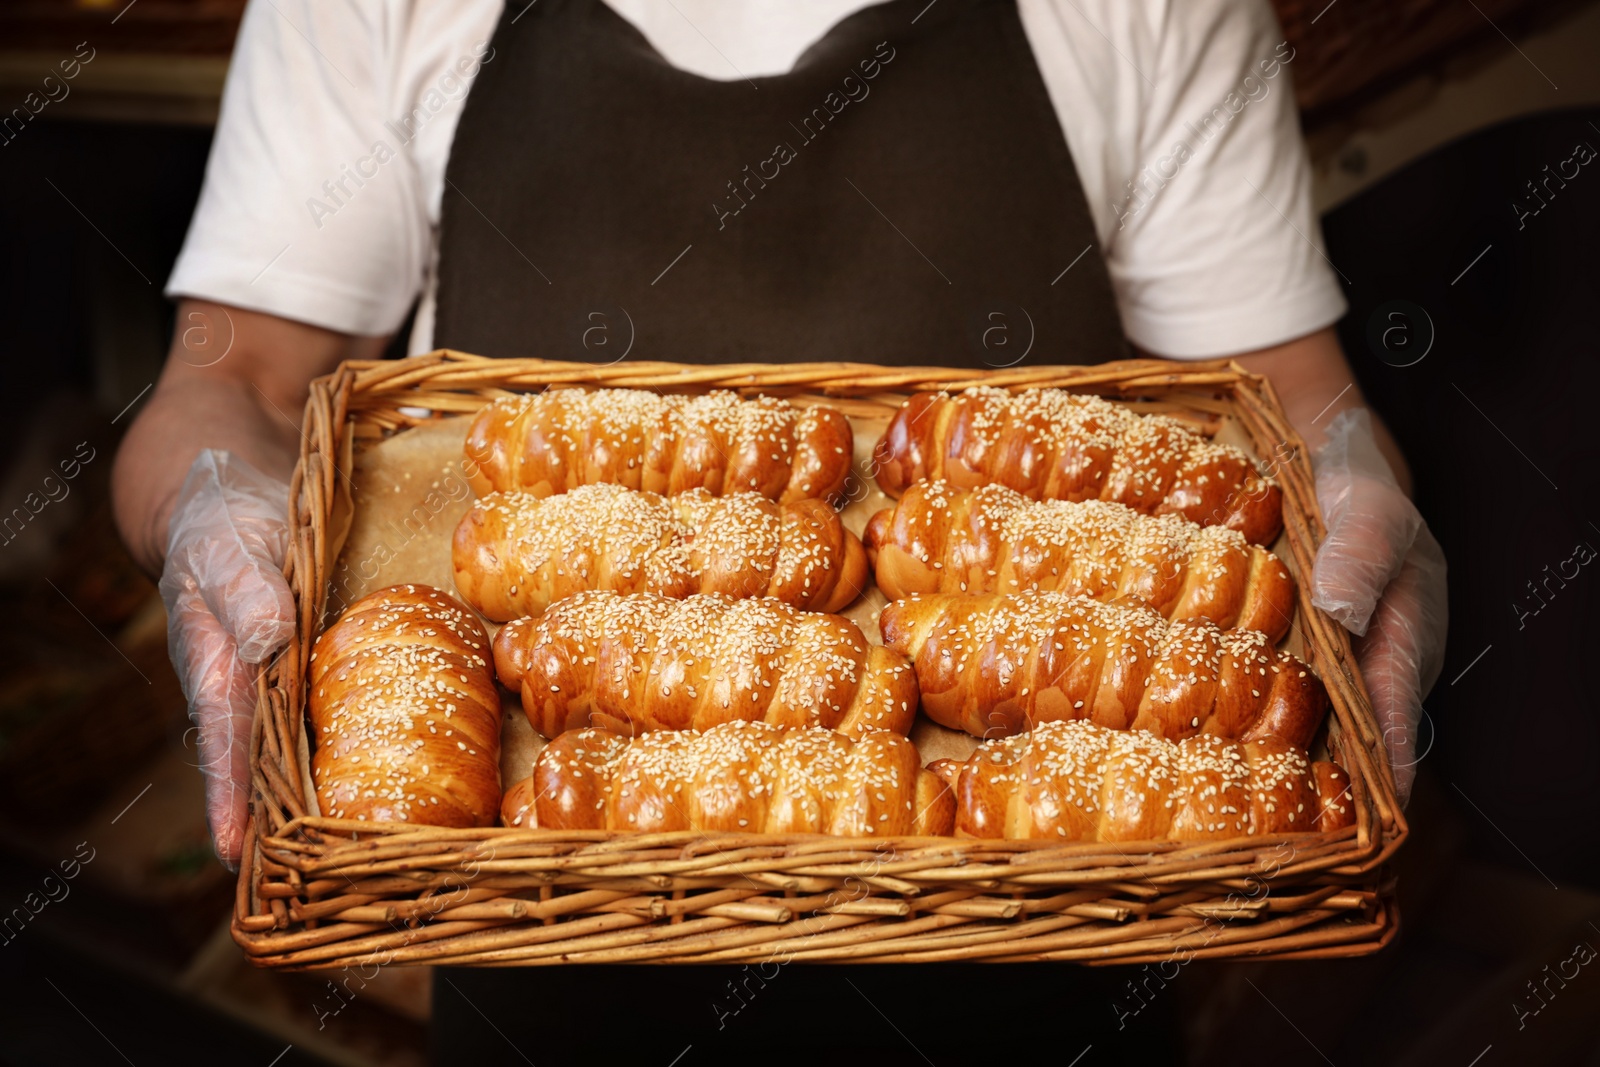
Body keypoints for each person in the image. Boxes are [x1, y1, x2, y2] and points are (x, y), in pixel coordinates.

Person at [111, 0, 1446, 1060]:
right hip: (541, 956)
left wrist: (1368, 485)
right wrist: (202, 510)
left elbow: (1290, 409)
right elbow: (234, 384)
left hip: (1062, 967)